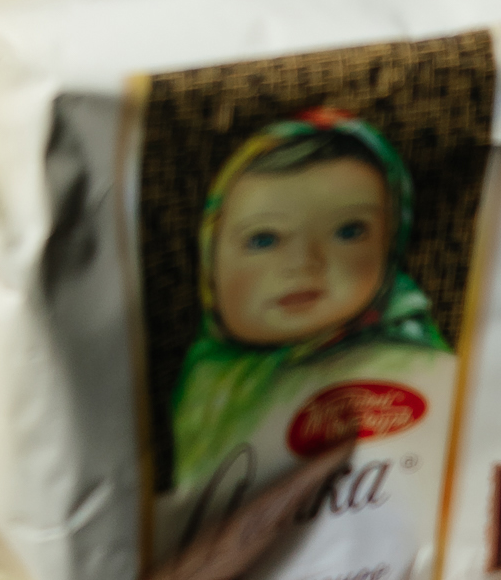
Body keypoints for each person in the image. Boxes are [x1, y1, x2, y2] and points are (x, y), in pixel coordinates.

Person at [170, 109, 449, 490]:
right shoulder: (205, 383)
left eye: (348, 231)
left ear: (391, 244)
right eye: (264, 239)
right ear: (209, 263)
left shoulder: (415, 368)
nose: (304, 263)